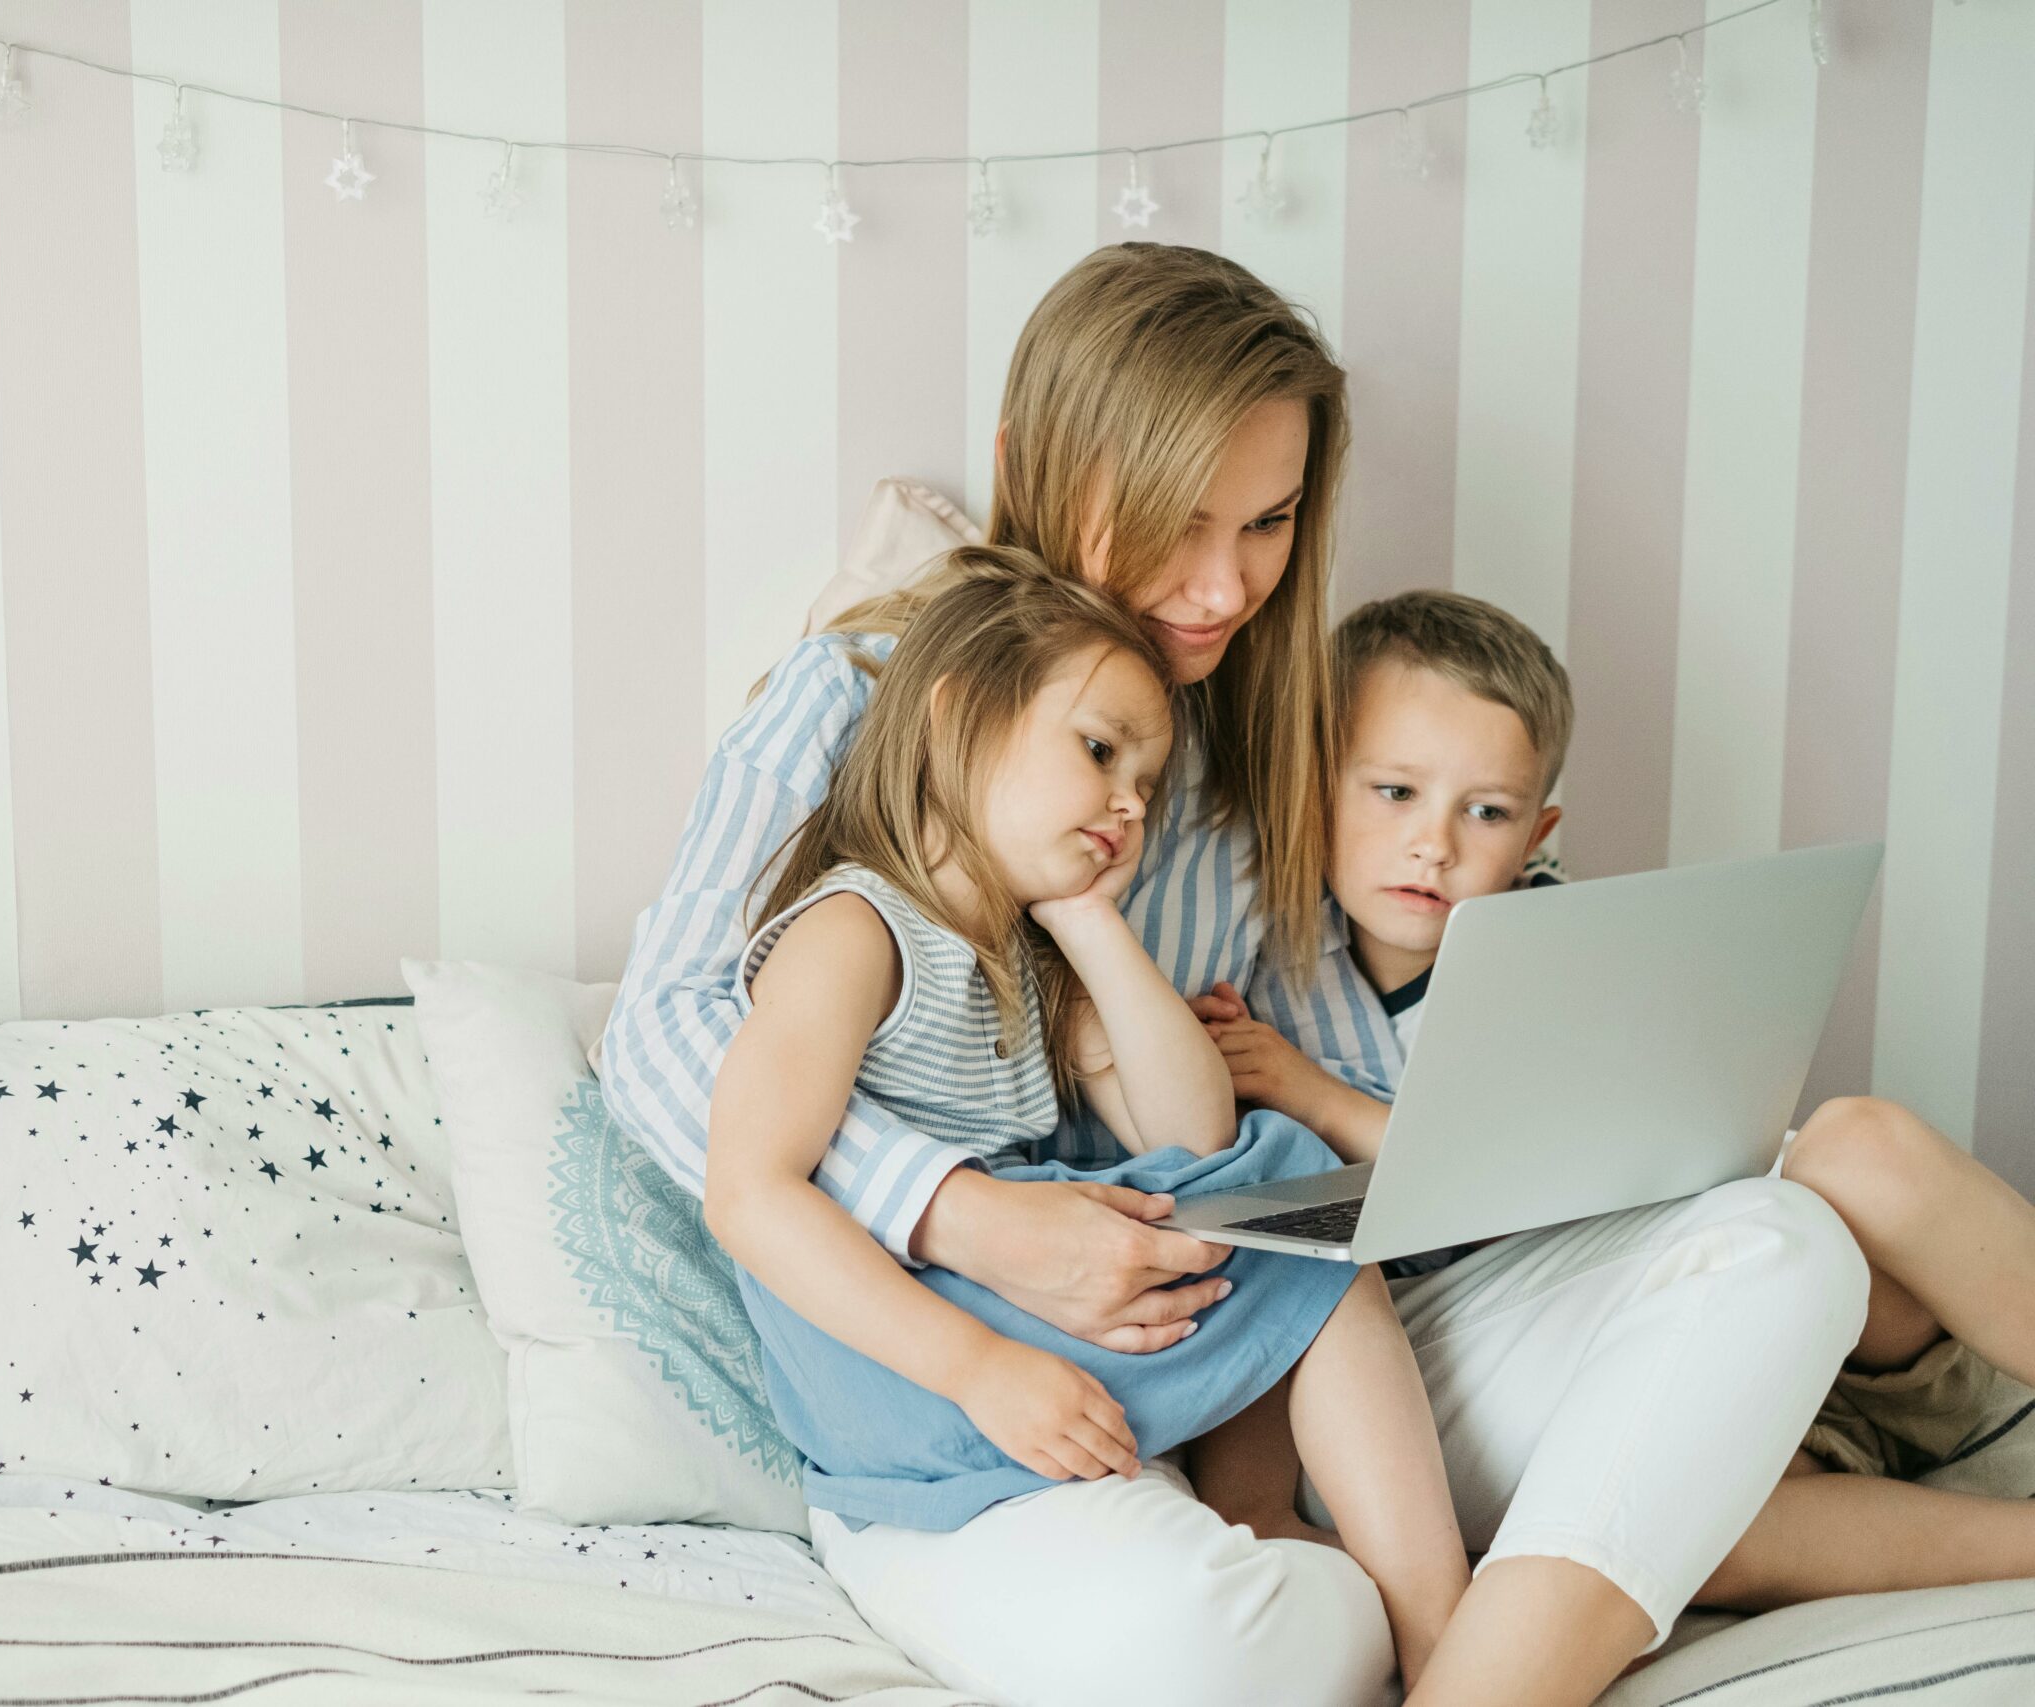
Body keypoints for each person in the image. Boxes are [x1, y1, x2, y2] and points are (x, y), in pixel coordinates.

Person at [598, 242, 1868, 1707]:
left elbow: (1322, 1055)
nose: (1217, 589)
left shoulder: (1289, 729)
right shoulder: (870, 706)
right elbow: (661, 1040)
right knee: (1221, 1631)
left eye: (1267, 524)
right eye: (1178, 523)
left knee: (1788, 1244)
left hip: (1313, 1292)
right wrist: (961, 1215)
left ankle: (1467, 1652)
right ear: (1037, 463)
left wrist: (1575, 1090)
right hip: (1018, 1354)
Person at [703, 551, 1468, 1687]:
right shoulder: (854, 930)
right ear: (958, 719)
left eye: (1148, 787)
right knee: (1305, 1199)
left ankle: (1262, 1511)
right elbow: (747, 1192)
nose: (1128, 802)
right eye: (1099, 751)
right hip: (909, 1361)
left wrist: (1088, 925)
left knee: (1287, 1195)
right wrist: (973, 1369)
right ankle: (1444, 1634)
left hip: (992, 1332)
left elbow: (1195, 1125)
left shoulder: (1026, 959)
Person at [1200, 586, 2035, 1614]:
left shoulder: (1553, 948)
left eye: (1486, 812)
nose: (1435, 844)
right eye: (1393, 793)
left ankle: (1958, 1415)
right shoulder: (1260, 963)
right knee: (1694, 1534)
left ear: (1535, 831)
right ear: (1310, 780)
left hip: (1754, 1288)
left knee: (1861, 1142)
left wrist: (1315, 1093)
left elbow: (1543, 1168)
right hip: (1526, 1341)